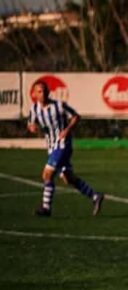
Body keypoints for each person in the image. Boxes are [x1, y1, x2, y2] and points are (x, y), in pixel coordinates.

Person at [27, 80, 104, 217]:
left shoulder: (59, 105)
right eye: (39, 91)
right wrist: (32, 127)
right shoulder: (34, 109)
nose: (42, 93)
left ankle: (46, 208)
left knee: (47, 174)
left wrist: (67, 130)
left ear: (48, 92)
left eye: (44, 91)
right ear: (34, 94)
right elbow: (30, 123)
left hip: (63, 145)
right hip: (51, 147)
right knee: (68, 178)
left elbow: (76, 116)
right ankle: (95, 196)